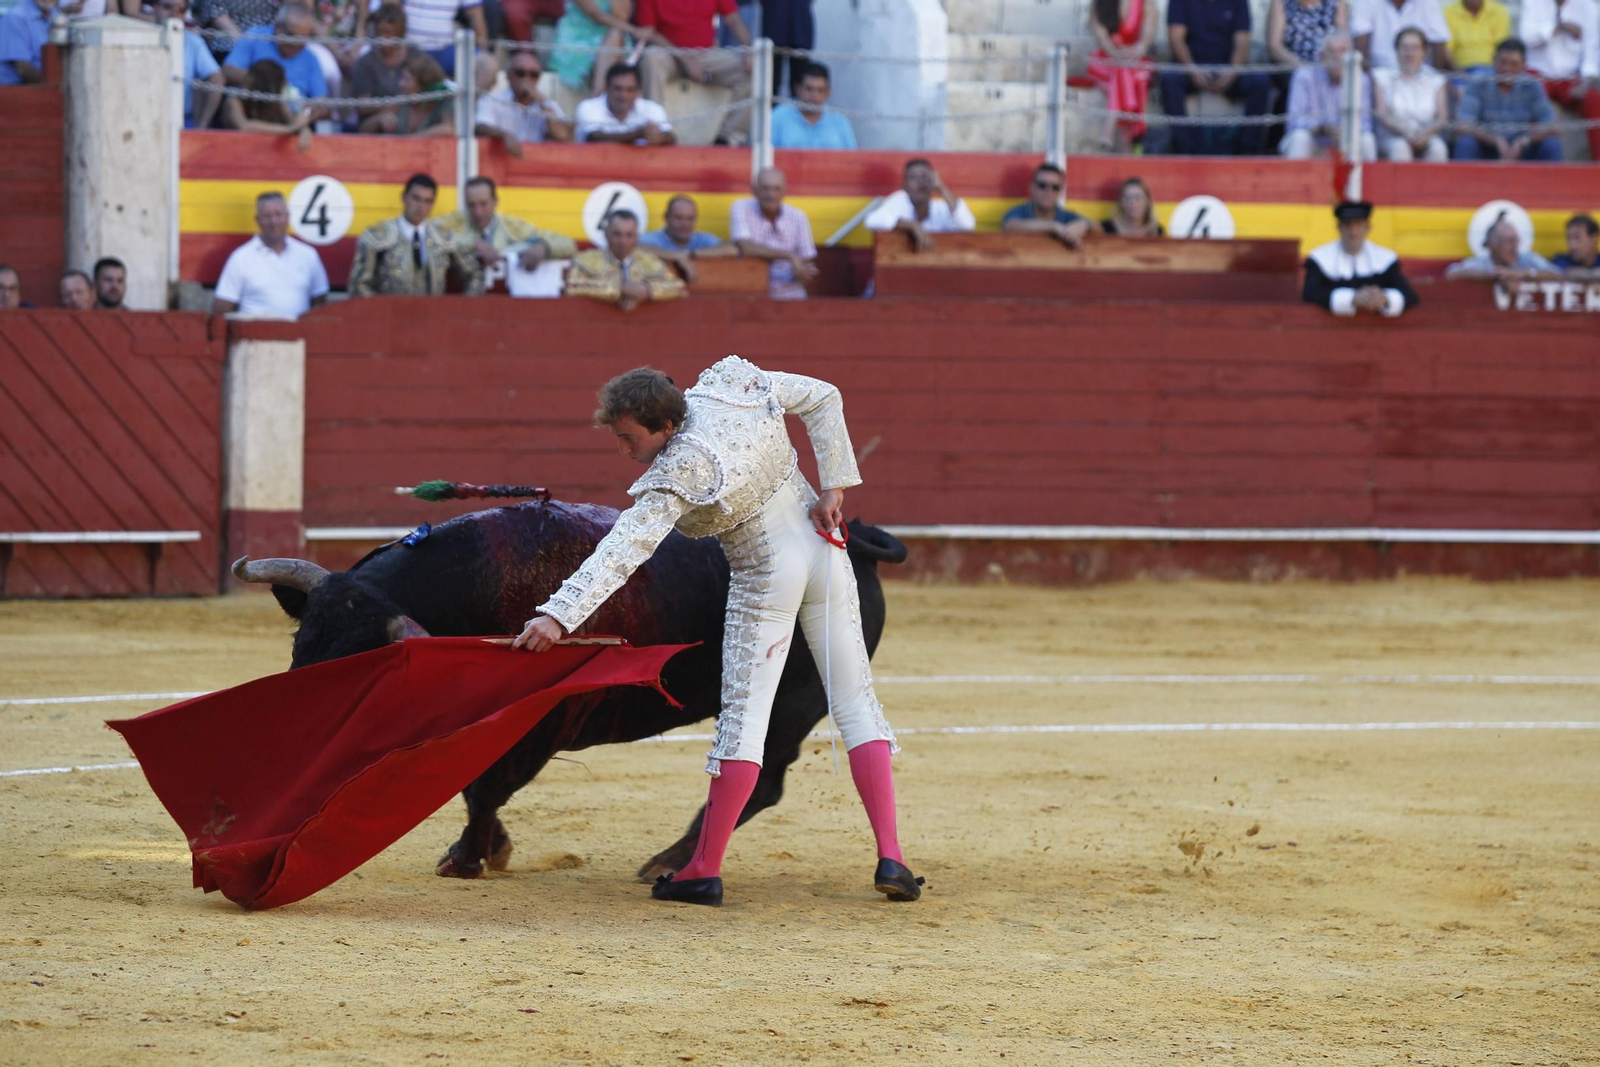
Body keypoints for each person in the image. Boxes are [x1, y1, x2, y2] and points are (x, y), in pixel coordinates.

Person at [512, 360, 920, 908]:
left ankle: (703, 868)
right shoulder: (734, 388)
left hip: (767, 576)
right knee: (857, 703)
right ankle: (892, 856)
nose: (623, 448)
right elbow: (823, 395)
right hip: (825, 551)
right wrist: (835, 487)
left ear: (664, 427)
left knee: (744, 721)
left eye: (628, 437)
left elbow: (624, 549)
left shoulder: (678, 469)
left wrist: (559, 615)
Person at [634, 0, 753, 146]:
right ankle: (656, 129)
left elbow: (734, 19)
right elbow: (648, 32)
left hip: (706, 55)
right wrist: (685, 59)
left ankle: (728, 138)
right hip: (668, 54)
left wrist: (748, 50)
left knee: (752, 69)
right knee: (651, 57)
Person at [1161, 0, 1272, 155]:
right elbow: (1176, 38)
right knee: (1169, 80)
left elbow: (1242, 41)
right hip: (1190, 67)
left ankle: (1248, 151)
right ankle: (1183, 150)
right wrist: (1193, 70)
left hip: (1229, 69)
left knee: (1260, 82)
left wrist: (1232, 72)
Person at [349, 173, 485, 297]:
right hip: (390, 318)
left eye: (427, 201)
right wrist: (380, 314)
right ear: (404, 197)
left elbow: (474, 275)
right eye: (416, 198)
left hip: (433, 318)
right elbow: (358, 286)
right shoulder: (377, 235)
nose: (420, 206)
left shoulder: (443, 236)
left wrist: (464, 309)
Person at [211, 192, 330, 318]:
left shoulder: (308, 256)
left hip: (299, 335)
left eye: (279, 215)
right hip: (253, 336)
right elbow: (222, 309)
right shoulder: (240, 258)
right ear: (257, 220)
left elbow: (320, 305)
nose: (273, 221)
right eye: (267, 216)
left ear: (288, 217)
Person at [435, 175, 577, 275]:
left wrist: (543, 247)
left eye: (483, 204)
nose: (478, 212)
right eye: (472, 205)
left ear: (495, 202)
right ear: (465, 204)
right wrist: (472, 243)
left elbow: (568, 244)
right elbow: (426, 238)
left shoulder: (512, 226)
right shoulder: (454, 221)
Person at [1302, 201, 1419, 316]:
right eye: (1348, 225)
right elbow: (1309, 293)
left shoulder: (1385, 259)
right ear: (1339, 227)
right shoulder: (1320, 259)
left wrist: (1385, 297)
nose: (1353, 232)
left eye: (1358, 225)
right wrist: (1351, 299)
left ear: (1368, 228)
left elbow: (1410, 295)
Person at [1453, 38, 1563, 160]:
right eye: (1503, 62)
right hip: (1486, 147)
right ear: (1494, 60)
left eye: (1514, 64)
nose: (1507, 69)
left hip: (1521, 149)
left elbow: (1551, 125)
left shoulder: (1531, 85)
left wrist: (1523, 141)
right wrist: (1496, 140)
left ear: (1523, 65)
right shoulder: (1478, 82)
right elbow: (1463, 124)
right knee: (1465, 143)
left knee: (1551, 145)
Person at [1520, 0, 1600, 162]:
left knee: (1595, 102)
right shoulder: (1532, 3)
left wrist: (1584, 83)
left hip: (1571, 78)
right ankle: (1529, 163)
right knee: (1532, 102)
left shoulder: (1589, 7)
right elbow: (1527, 38)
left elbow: (1591, 53)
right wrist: (1557, 27)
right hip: (1538, 75)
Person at [566, 210, 687, 311]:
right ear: (606, 234)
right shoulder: (586, 259)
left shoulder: (648, 261)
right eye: (617, 234)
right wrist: (620, 289)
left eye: (629, 235)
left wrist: (646, 290)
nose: (623, 241)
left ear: (637, 237)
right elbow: (572, 286)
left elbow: (679, 287)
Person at [1282, 33, 1378, 159]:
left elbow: (1365, 123)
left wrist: (1346, 131)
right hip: (1314, 141)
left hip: (1347, 142)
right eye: (1331, 52)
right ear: (1322, 56)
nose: (1337, 57)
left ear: (1351, 57)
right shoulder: (1304, 76)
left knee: (1367, 140)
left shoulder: (1361, 79)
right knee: (1300, 138)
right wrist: (1322, 129)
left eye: (1343, 51)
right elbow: (1294, 122)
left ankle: (1367, 179)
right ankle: (1296, 179)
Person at [728, 167, 819, 300]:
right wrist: (789, 256)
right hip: (751, 293)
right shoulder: (741, 207)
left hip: (791, 293)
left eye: (777, 189)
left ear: (784, 191)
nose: (771, 195)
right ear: (754, 190)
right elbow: (745, 247)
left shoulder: (798, 216)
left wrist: (803, 272)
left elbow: (807, 260)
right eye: (765, 188)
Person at [221, 2, 330, 109]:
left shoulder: (310, 57)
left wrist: (305, 115)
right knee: (233, 104)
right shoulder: (256, 37)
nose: (296, 44)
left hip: (292, 118)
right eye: (292, 35)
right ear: (278, 27)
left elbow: (323, 104)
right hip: (254, 109)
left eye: (302, 38)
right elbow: (228, 71)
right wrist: (271, 83)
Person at [1087, 0, 1158, 152]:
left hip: (1136, 60)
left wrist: (1134, 52)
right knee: (1124, 72)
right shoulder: (1098, 3)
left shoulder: (1146, 3)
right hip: (1105, 61)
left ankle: (1109, 125)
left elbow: (1146, 38)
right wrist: (1116, 54)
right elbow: (1101, 39)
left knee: (1124, 71)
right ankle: (1130, 141)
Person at [864, 158, 976, 253]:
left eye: (925, 177)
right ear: (905, 185)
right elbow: (872, 221)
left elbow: (967, 225)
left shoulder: (940, 208)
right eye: (913, 178)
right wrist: (913, 226)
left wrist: (942, 188)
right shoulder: (900, 199)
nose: (920, 183)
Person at [475, 49, 573, 155]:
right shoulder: (492, 100)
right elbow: (481, 127)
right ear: (509, 75)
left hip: (535, 162)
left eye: (533, 74)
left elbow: (562, 136)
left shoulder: (547, 105)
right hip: (501, 158)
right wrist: (504, 135)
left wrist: (540, 100)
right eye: (520, 73)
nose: (527, 79)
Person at [1374, 27, 1450, 160]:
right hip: (1392, 135)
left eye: (1415, 48)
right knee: (1400, 148)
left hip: (1427, 134)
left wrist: (1425, 134)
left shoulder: (1435, 79)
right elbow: (1382, 114)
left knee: (1439, 149)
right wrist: (1405, 132)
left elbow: (1442, 118)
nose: (1410, 53)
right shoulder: (1382, 76)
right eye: (1405, 48)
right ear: (1396, 51)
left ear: (1424, 52)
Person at [350, 5, 422, 133]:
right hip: (375, 122)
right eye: (379, 33)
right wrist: (388, 108)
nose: (383, 39)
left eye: (388, 33)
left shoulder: (415, 57)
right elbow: (362, 106)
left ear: (400, 33)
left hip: (412, 116)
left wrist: (397, 106)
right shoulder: (366, 62)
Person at [155, 0, 225, 129]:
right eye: (167, 7)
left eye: (180, 10)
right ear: (154, 7)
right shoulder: (138, 36)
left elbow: (216, 78)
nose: (173, 14)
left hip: (184, 123)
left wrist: (202, 126)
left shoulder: (192, 40)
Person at [224, 59, 318, 150]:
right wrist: (288, 130)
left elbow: (294, 122)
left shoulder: (278, 102)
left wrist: (303, 129)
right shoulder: (235, 101)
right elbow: (244, 126)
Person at [574, 63, 678, 145]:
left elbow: (671, 137)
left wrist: (660, 137)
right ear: (606, 88)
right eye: (618, 89)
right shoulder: (588, 107)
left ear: (638, 91)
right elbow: (595, 138)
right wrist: (638, 134)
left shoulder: (652, 109)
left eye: (630, 90)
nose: (623, 95)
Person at [550, 0, 634, 95]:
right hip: (578, 36)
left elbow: (622, 17)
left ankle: (599, 96)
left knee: (616, 35)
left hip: (610, 35)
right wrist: (634, 30)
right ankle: (599, 95)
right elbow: (596, 15)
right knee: (615, 41)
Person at [1001, 162, 1090, 249]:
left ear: (1061, 191)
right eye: (1042, 185)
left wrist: (1084, 225)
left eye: (1055, 187)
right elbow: (1011, 226)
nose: (1048, 192)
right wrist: (1053, 227)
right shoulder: (1019, 212)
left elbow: (1098, 229)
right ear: (1032, 187)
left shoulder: (1067, 216)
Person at [771, 62, 857, 150]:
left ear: (828, 92)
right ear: (798, 89)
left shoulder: (840, 121)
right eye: (809, 89)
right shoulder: (778, 117)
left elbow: (852, 159)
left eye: (820, 90)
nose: (814, 95)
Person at [1445, 218, 1559, 279]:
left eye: (1516, 241)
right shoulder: (1482, 264)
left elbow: (1557, 274)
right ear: (1492, 245)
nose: (1515, 247)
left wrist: (1523, 274)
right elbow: (1451, 273)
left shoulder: (1527, 259)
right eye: (1509, 242)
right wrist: (1491, 275)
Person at [1351, 0, 1452, 68]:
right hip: (1379, 71)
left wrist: (1435, 80)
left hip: (1419, 73)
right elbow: (1360, 45)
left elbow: (1439, 41)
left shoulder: (1428, 2)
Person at [639, 195, 734, 265]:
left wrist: (691, 253)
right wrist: (677, 256)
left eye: (690, 219)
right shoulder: (653, 239)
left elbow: (732, 248)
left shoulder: (701, 238)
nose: (685, 224)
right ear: (666, 217)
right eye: (679, 218)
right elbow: (634, 248)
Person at [403, 0, 488, 77]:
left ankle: (463, 94)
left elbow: (476, 16)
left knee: (487, 65)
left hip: (445, 50)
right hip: (409, 48)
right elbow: (392, 9)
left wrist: (483, 50)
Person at [393, 52, 454, 136]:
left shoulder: (443, 100)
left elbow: (449, 129)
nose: (401, 84)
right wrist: (378, 120)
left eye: (407, 80)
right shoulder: (401, 101)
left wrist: (414, 140)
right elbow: (370, 126)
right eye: (402, 78)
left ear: (423, 84)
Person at [1268, 0, 1348, 64]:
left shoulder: (1337, 2)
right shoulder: (1281, 2)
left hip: (1329, 69)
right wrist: (1302, 67)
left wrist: (1325, 68)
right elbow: (1275, 47)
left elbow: (1344, 42)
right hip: (1291, 68)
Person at [1442, 0, 1511, 70]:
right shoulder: (1449, 12)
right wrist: (1459, 73)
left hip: (1491, 70)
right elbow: (1446, 51)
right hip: (1461, 70)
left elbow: (1502, 48)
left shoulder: (1498, 11)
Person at [0, 0, 54, 86]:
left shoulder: (55, 14)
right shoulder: (17, 16)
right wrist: (51, 86)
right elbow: (23, 68)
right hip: (18, 90)